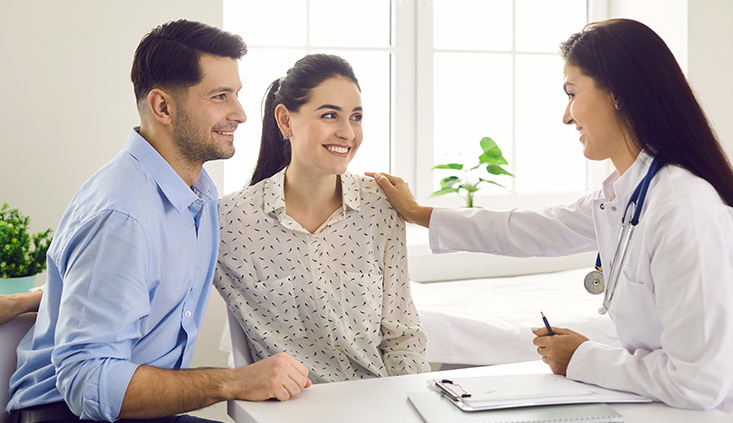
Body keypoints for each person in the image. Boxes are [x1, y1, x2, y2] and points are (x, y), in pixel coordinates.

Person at [368, 18, 733, 412]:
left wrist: (582, 357)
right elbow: (531, 228)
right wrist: (420, 214)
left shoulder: (683, 210)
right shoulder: (623, 196)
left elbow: (698, 383)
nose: (566, 115)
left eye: (572, 93)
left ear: (618, 95)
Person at [7, 20, 310, 423]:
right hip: (67, 414)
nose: (239, 114)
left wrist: (37, 297)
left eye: (236, 95)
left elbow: (114, 293)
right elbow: (88, 382)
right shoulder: (124, 215)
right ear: (162, 107)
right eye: (219, 96)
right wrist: (234, 382)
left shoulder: (195, 194)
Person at [215, 54, 431, 383]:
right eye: (330, 115)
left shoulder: (380, 205)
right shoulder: (228, 221)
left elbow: (402, 337)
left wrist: (411, 404)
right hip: (293, 411)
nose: (347, 133)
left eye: (356, 117)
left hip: (380, 403)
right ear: (285, 121)